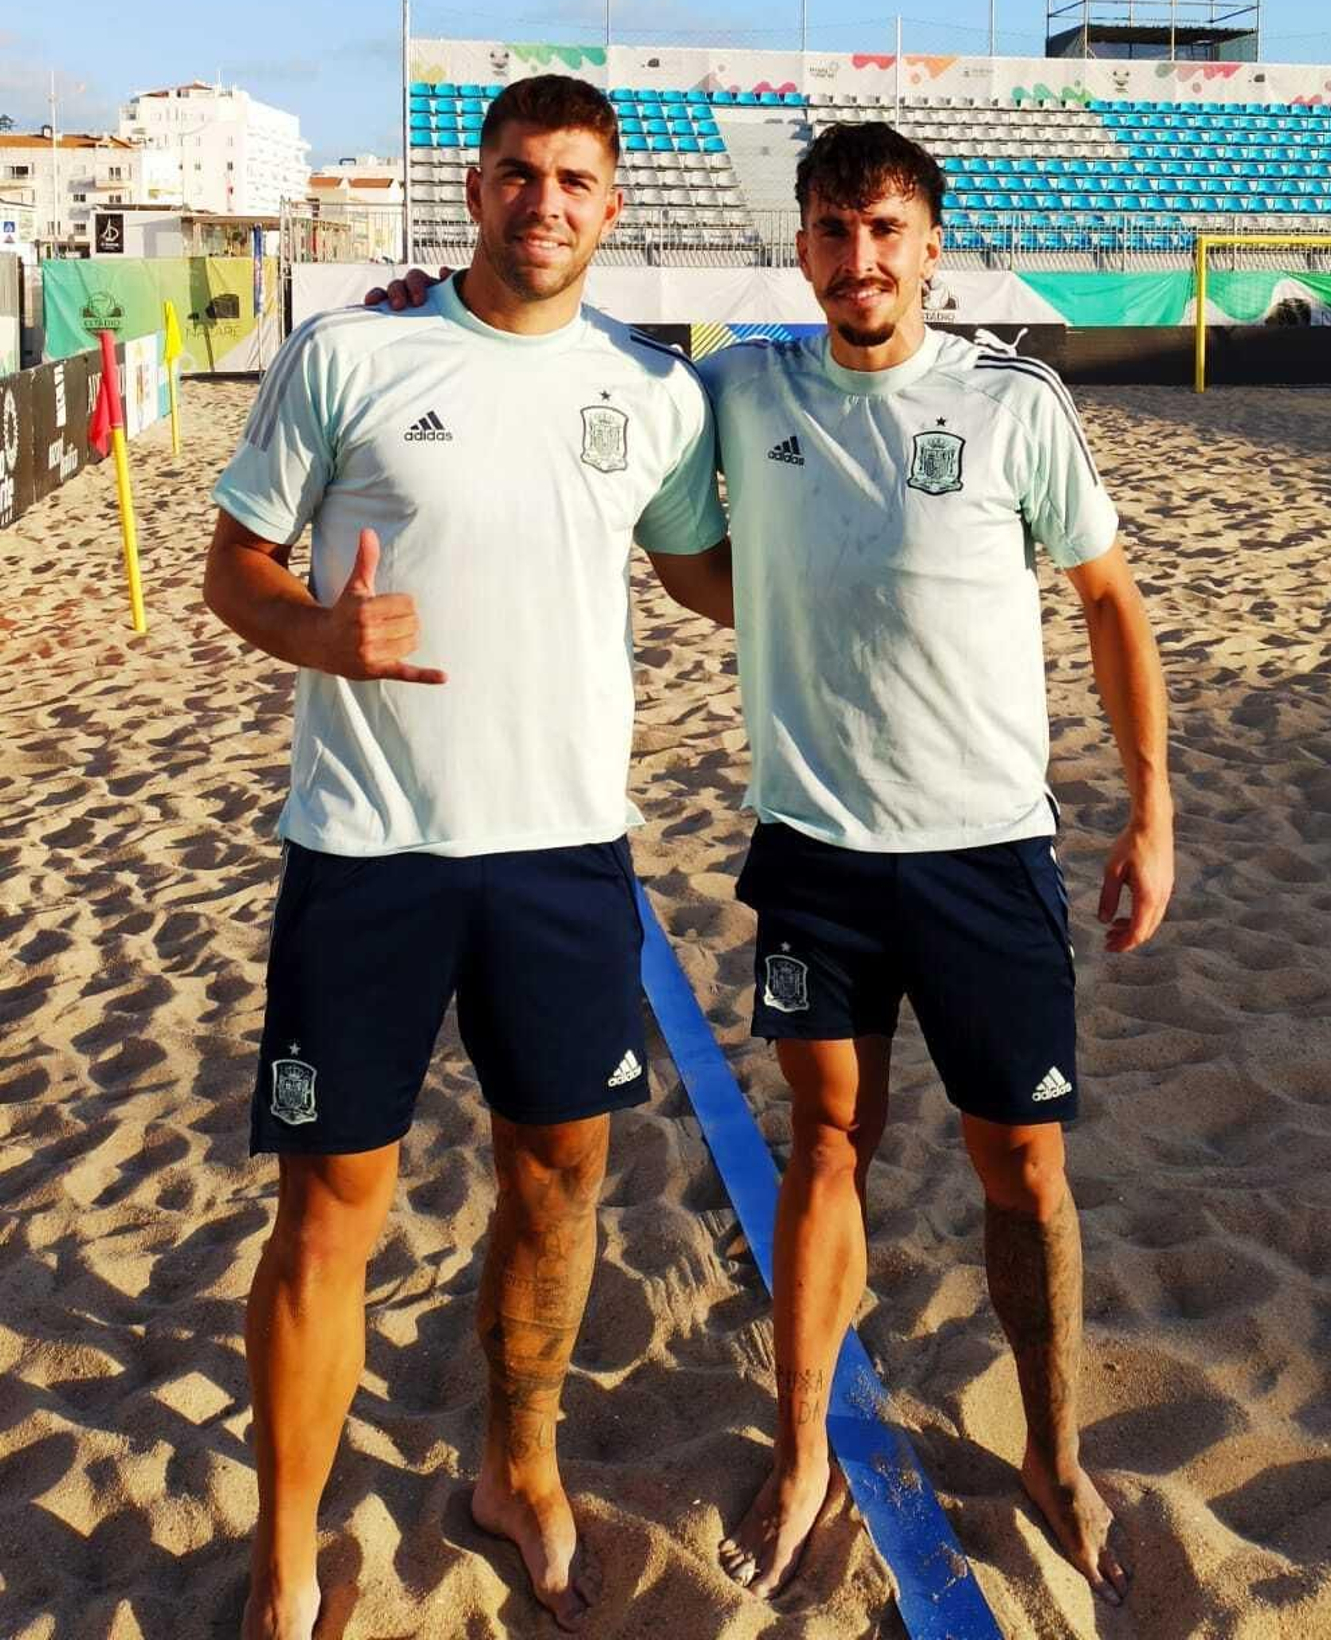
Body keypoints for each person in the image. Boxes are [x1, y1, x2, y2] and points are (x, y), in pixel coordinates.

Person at [380, 114, 1175, 1612]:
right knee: (826, 1145)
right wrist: (427, 309)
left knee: (1025, 1165)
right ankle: (804, 1445)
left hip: (988, 852)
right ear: (799, 244)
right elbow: (576, 377)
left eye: (885, 232)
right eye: (830, 230)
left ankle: (1056, 1451)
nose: (857, 258)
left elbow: (1110, 602)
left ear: (930, 248)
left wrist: (1152, 810)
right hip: (816, 850)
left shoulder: (1013, 405)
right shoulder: (739, 391)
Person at [206, 74, 732, 1640]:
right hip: (368, 853)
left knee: (559, 1183)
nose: (543, 201)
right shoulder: (349, 354)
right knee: (328, 1214)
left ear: (612, 205)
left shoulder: (654, 392)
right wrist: (319, 631)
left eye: (573, 179)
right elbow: (234, 565)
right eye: (517, 172)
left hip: (564, 858)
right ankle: (287, 1555)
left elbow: (705, 573)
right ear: (476, 187)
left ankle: (519, 1466)